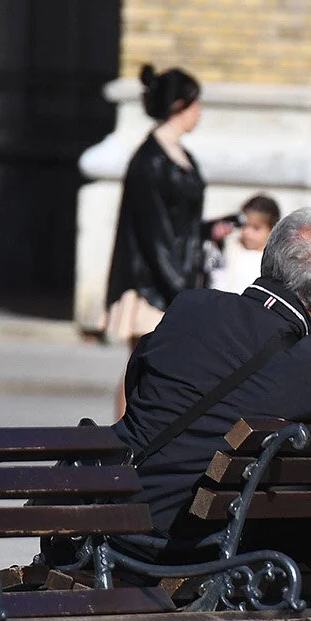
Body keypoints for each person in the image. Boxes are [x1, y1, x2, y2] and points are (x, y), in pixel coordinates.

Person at [0, 209, 311, 621]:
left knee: (112, 543)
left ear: (266, 262)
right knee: (140, 538)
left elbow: (139, 378)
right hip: (197, 546)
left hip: (112, 519)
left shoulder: (192, 307)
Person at [103, 65, 235, 416]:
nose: (200, 111)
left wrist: (210, 230)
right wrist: (181, 292)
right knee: (140, 366)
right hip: (150, 283)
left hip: (174, 277)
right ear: (179, 105)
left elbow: (179, 226)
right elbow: (153, 234)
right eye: (195, 103)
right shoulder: (149, 160)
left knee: (156, 368)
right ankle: (121, 438)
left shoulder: (180, 155)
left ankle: (133, 437)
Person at [207, 194, 281, 295]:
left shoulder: (272, 263)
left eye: (256, 228)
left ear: (272, 230)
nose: (247, 232)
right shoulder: (231, 246)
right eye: (244, 225)